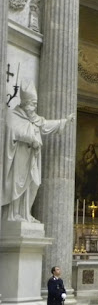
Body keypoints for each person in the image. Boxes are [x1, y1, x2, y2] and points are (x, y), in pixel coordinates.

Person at [2, 82, 74, 222]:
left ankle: (26, 213)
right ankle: (14, 214)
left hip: (32, 158)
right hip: (19, 157)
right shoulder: (13, 116)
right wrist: (30, 138)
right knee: (18, 183)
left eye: (35, 104)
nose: (34, 107)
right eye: (32, 104)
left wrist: (64, 121)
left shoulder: (34, 118)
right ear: (25, 103)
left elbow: (46, 124)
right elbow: (11, 131)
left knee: (34, 183)